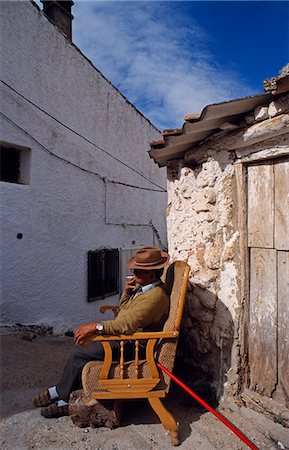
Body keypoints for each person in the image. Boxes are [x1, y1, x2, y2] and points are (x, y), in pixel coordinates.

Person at [32, 246, 170, 418]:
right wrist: (127, 293)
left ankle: (60, 395)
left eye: (138, 271)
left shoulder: (155, 297)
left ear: (153, 273)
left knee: (81, 352)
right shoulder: (145, 289)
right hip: (125, 337)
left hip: (132, 344)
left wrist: (96, 326)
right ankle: (63, 394)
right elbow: (125, 309)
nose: (133, 273)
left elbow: (127, 324)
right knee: (85, 346)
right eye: (134, 269)